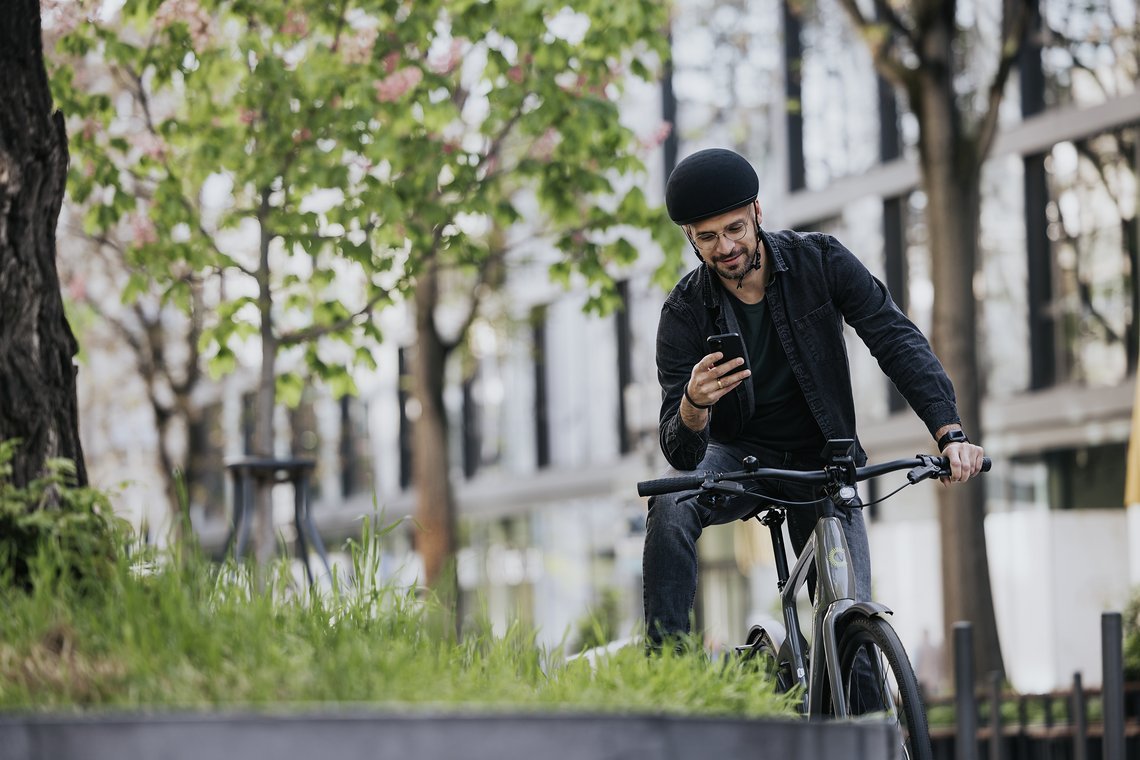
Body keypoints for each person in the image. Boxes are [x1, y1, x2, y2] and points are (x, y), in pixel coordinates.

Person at [644, 147, 986, 648]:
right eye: (708, 237)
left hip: (823, 460)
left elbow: (893, 337)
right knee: (670, 502)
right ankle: (665, 682)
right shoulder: (682, 313)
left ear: (757, 213)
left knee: (852, 627)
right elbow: (681, 455)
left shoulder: (819, 261)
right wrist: (694, 404)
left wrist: (949, 432)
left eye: (735, 228)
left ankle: (868, 722)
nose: (725, 247)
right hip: (739, 461)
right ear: (690, 238)